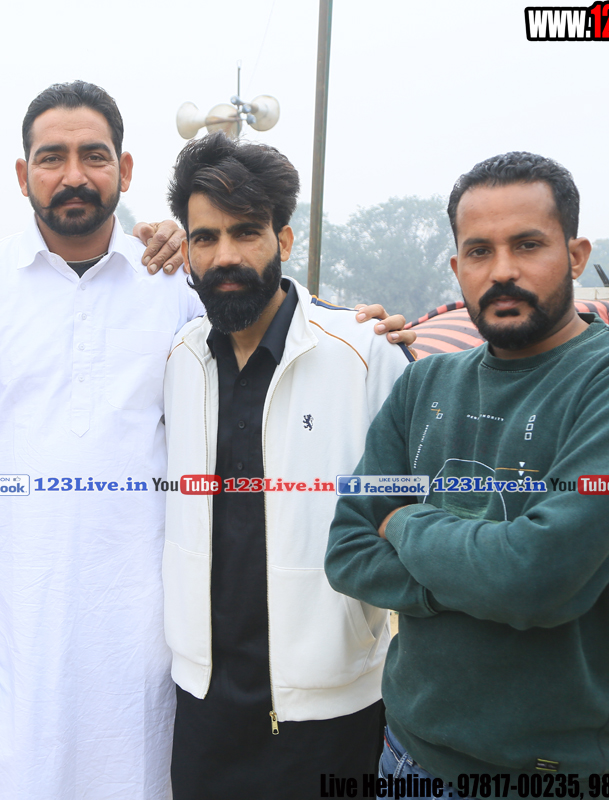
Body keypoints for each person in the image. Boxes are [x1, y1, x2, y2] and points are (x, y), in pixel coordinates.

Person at [0, 82, 411, 799]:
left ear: (124, 169)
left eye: (94, 155)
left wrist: (359, 329)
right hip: (11, 614)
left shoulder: (172, 285)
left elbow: (265, 306)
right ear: (23, 174)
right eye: (51, 157)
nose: (74, 174)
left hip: (149, 632)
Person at [327, 152, 609, 785]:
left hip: (544, 771)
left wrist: (404, 523)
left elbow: (534, 577)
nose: (502, 271)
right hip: (405, 752)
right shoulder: (423, 385)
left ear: (575, 256)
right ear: (456, 268)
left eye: (527, 245)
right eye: (479, 251)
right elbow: (348, 551)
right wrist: (525, 587)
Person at [161, 134, 414, 798]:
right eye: (205, 237)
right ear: (187, 250)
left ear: (284, 239)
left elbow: (421, 513)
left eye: (246, 232)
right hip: (203, 700)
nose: (225, 256)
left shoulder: (364, 354)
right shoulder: (178, 358)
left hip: (331, 708)